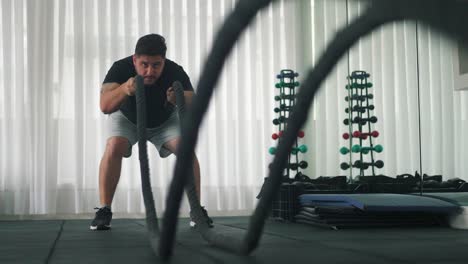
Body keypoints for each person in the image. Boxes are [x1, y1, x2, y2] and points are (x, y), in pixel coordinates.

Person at [91, 34, 212, 230]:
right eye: (144, 64)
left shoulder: (174, 70)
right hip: (127, 119)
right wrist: (124, 89)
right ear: (134, 60)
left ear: (163, 61)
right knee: (114, 146)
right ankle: (104, 210)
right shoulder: (120, 68)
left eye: (156, 65)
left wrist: (179, 98)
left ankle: (196, 210)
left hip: (164, 121)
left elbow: (195, 101)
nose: (149, 71)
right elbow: (105, 106)